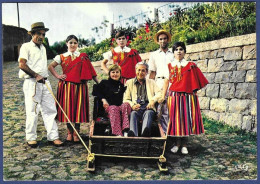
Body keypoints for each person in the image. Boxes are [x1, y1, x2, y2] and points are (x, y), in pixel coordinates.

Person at [18, 22, 63, 148]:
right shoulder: (26, 47)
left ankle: (53, 137)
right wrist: (35, 75)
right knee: (32, 110)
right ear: (32, 34)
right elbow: (22, 65)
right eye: (39, 34)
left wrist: (41, 77)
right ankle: (31, 137)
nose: (41, 37)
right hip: (32, 83)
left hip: (45, 82)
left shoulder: (43, 47)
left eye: (43, 34)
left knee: (50, 109)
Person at [160, 42, 209, 154]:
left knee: (186, 120)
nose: (179, 51)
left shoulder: (190, 65)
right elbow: (166, 82)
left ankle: (185, 145)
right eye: (176, 49)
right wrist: (163, 96)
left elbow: (197, 80)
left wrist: (193, 93)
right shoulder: (169, 65)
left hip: (187, 96)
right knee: (176, 121)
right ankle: (177, 144)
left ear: (184, 51)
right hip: (174, 96)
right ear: (173, 52)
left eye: (181, 49)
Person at [48, 35, 99, 143]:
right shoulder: (61, 56)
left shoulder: (82, 56)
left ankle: (76, 133)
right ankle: (69, 133)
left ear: (77, 44)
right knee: (68, 110)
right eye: (70, 42)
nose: (73, 45)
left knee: (78, 110)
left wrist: (99, 83)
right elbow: (50, 66)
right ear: (66, 44)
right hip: (66, 87)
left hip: (80, 87)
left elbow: (92, 71)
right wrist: (58, 76)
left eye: (75, 43)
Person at [123, 62, 162, 137]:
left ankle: (145, 132)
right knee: (133, 114)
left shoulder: (151, 82)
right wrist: (132, 105)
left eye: (143, 70)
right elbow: (126, 99)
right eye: (139, 70)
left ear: (147, 72)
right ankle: (133, 134)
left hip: (148, 107)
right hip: (136, 107)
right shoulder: (129, 82)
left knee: (149, 113)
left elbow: (159, 93)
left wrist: (153, 100)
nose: (140, 72)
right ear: (135, 71)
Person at [148, 29, 173, 133]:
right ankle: (162, 133)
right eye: (160, 39)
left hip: (171, 83)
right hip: (158, 82)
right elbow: (152, 72)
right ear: (158, 41)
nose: (163, 41)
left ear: (168, 40)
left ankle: (171, 133)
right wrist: (149, 86)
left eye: (165, 38)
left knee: (170, 108)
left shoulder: (173, 53)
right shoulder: (154, 55)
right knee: (160, 109)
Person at [96, 64, 131, 136]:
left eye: (117, 72)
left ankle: (125, 131)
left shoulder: (121, 86)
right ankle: (117, 134)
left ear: (120, 74)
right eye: (113, 72)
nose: (115, 74)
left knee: (126, 104)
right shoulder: (104, 83)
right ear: (109, 73)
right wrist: (103, 100)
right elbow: (96, 91)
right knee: (113, 108)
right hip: (109, 109)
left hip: (120, 108)